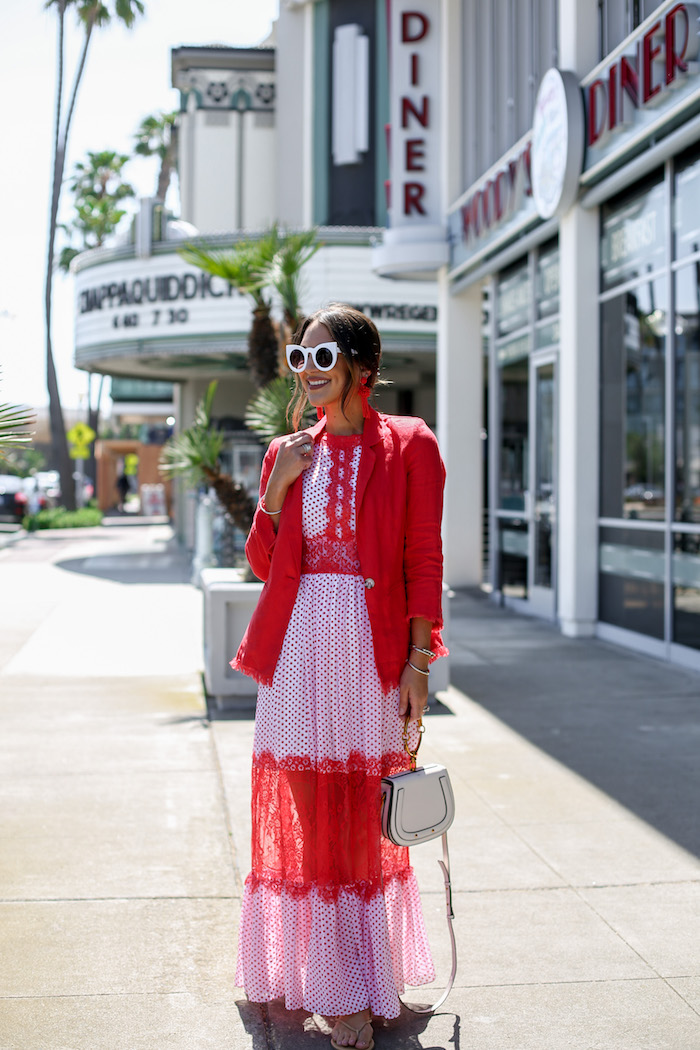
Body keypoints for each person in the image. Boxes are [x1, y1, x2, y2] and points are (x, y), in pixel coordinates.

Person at [232, 304, 447, 1050]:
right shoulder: (287, 452)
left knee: (361, 824)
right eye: (299, 358)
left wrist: (420, 664)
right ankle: (333, 984)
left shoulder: (410, 445)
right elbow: (264, 566)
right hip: (296, 652)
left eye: (322, 358)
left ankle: (360, 977)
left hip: (369, 647)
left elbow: (424, 561)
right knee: (308, 816)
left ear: (361, 365)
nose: (308, 374)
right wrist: (277, 487)